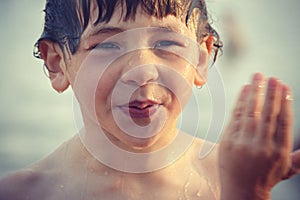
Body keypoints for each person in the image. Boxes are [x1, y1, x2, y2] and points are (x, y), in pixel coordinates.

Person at [0, 0, 299, 199]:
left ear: (201, 57)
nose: (141, 72)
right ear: (56, 62)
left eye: (166, 42)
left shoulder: (236, 175)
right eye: (107, 45)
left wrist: (248, 189)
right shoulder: (19, 193)